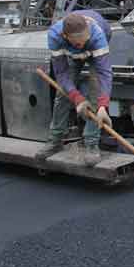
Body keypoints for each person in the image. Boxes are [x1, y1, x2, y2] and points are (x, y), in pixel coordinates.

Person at [35, 10, 114, 166]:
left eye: (85, 41)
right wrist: (76, 98)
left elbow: (104, 73)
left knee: (94, 93)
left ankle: (91, 143)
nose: (82, 45)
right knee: (62, 94)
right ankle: (55, 140)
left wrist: (103, 105)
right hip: (71, 54)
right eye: (79, 44)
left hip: (96, 48)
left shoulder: (97, 36)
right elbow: (61, 73)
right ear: (65, 36)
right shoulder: (55, 37)